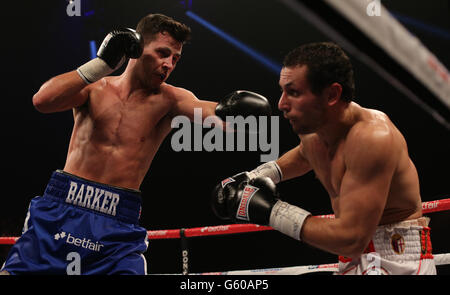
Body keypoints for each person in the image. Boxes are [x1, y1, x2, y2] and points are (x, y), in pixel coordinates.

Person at [1, 13, 270, 275]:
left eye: (175, 58)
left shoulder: (170, 100)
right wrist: (101, 64)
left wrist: (239, 115)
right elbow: (42, 101)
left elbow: (220, 119)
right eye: (163, 53)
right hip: (64, 204)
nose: (169, 64)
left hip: (117, 219)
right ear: (137, 48)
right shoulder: (95, 88)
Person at [212, 42, 437, 275]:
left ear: (331, 95)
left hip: (398, 260)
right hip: (353, 258)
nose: (281, 104)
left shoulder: (373, 138)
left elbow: (352, 238)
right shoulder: (314, 132)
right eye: (283, 91)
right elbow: (302, 156)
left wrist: (271, 211)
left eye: (294, 92)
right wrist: (253, 177)